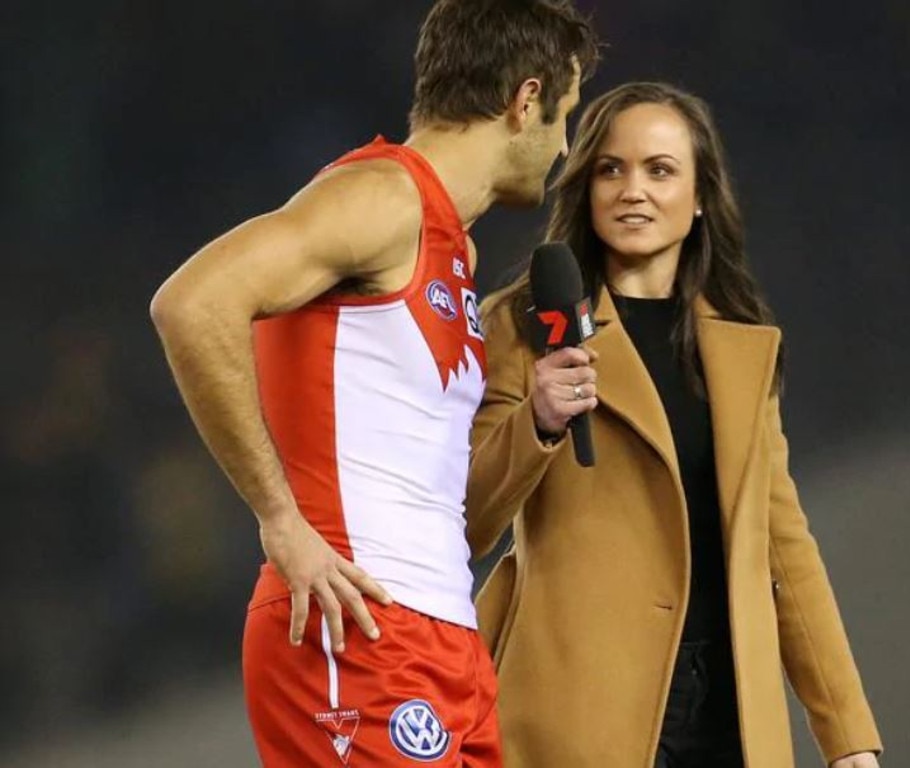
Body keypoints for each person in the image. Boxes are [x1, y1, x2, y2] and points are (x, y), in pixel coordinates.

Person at [149, 2, 599, 764]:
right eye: (565, 117)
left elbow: (437, 501)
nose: (563, 147)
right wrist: (281, 520)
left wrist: (538, 423)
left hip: (441, 641)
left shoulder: (450, 251)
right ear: (526, 101)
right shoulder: (382, 198)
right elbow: (191, 305)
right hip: (356, 630)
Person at [467, 82, 883, 768]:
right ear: (586, 188)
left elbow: (784, 549)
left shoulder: (742, 350)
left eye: (660, 170)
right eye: (612, 169)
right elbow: (467, 520)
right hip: (577, 709)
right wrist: (535, 423)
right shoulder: (522, 325)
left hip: (729, 712)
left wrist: (848, 738)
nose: (634, 190)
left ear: (697, 199)